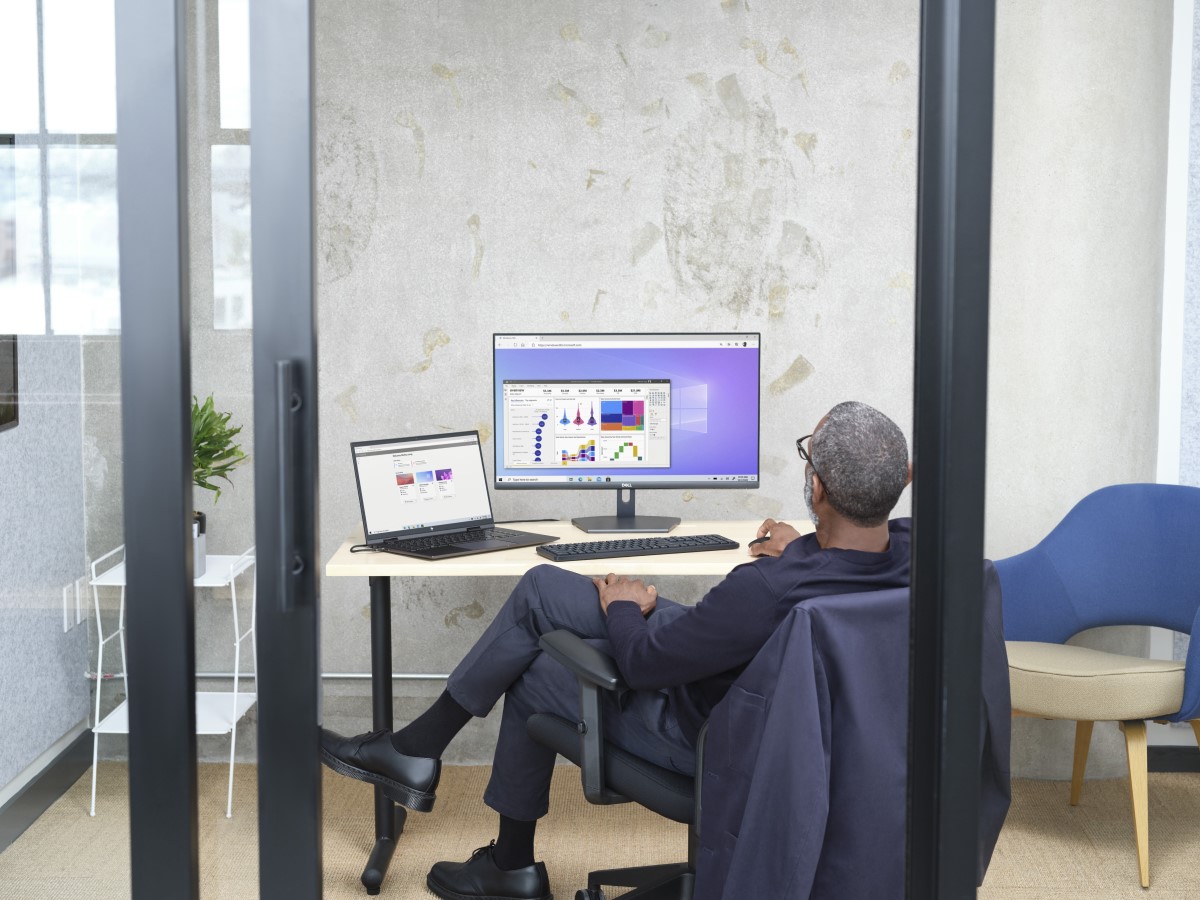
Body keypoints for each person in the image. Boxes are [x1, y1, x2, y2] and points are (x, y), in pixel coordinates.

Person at [320, 400, 913, 900]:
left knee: (536, 665)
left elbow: (646, 664)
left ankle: (499, 853)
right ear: (904, 481)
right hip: (808, 734)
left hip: (716, 737)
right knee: (543, 591)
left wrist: (624, 608)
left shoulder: (763, 591)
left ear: (816, 486)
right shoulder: (920, 563)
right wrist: (806, 547)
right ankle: (421, 756)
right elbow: (833, 571)